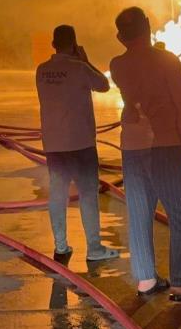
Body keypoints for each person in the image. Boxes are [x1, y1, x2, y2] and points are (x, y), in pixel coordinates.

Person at [110, 7, 181, 303]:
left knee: (140, 213)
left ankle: (146, 280)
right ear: (149, 26)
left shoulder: (117, 64)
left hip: (132, 146)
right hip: (164, 144)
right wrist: (178, 139)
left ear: (120, 37)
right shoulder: (166, 61)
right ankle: (180, 284)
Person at [36, 25, 119, 262]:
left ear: (53, 44)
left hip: (54, 145)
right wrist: (86, 60)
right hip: (81, 143)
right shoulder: (80, 68)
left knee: (57, 194)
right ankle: (94, 248)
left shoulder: (41, 70)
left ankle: (61, 246)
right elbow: (104, 85)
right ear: (74, 44)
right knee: (87, 195)